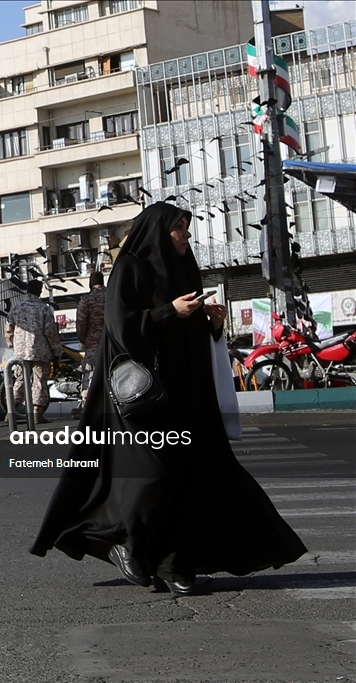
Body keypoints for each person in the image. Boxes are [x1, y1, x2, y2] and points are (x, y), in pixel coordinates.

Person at [30, 203, 306, 596]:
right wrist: (168, 312)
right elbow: (122, 327)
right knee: (153, 478)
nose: (186, 236)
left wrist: (209, 324)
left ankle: (178, 567)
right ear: (159, 232)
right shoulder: (131, 269)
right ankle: (121, 542)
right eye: (180, 229)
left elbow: (187, 335)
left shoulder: (184, 270)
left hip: (186, 396)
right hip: (142, 400)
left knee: (194, 481)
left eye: (187, 229)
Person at [5, 279, 62, 423]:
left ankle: (11, 411)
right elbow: (50, 332)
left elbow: (8, 328)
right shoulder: (43, 308)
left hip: (20, 352)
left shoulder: (16, 307)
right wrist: (56, 351)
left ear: (27, 290)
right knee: (39, 382)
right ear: (40, 291)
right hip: (39, 351)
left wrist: (12, 344)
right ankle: (36, 413)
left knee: (20, 380)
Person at [76, 271, 107, 402]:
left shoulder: (87, 299)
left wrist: (83, 339)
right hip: (111, 343)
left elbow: (81, 323)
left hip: (93, 344)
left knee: (90, 375)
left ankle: (88, 404)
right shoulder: (111, 296)